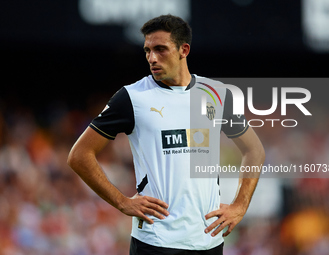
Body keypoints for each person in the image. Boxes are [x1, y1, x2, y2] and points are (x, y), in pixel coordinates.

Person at [68, 14, 265, 255]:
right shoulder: (132, 97)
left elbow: (254, 150)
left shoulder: (216, 93)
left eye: (160, 49)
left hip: (207, 240)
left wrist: (240, 206)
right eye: (147, 51)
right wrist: (122, 202)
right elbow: (79, 155)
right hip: (154, 240)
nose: (152, 58)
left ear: (184, 49)